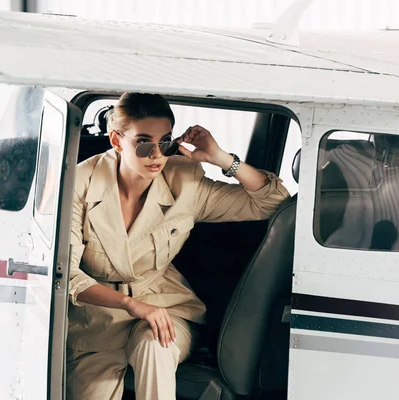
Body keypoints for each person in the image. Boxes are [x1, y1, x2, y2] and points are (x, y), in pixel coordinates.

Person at [66, 92, 290, 400]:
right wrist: (132, 305)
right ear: (116, 141)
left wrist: (222, 158)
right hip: (97, 321)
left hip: (165, 308)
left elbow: (273, 202)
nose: (158, 155)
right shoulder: (79, 183)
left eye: (167, 142)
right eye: (144, 143)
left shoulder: (185, 180)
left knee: (153, 344)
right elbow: (66, 275)